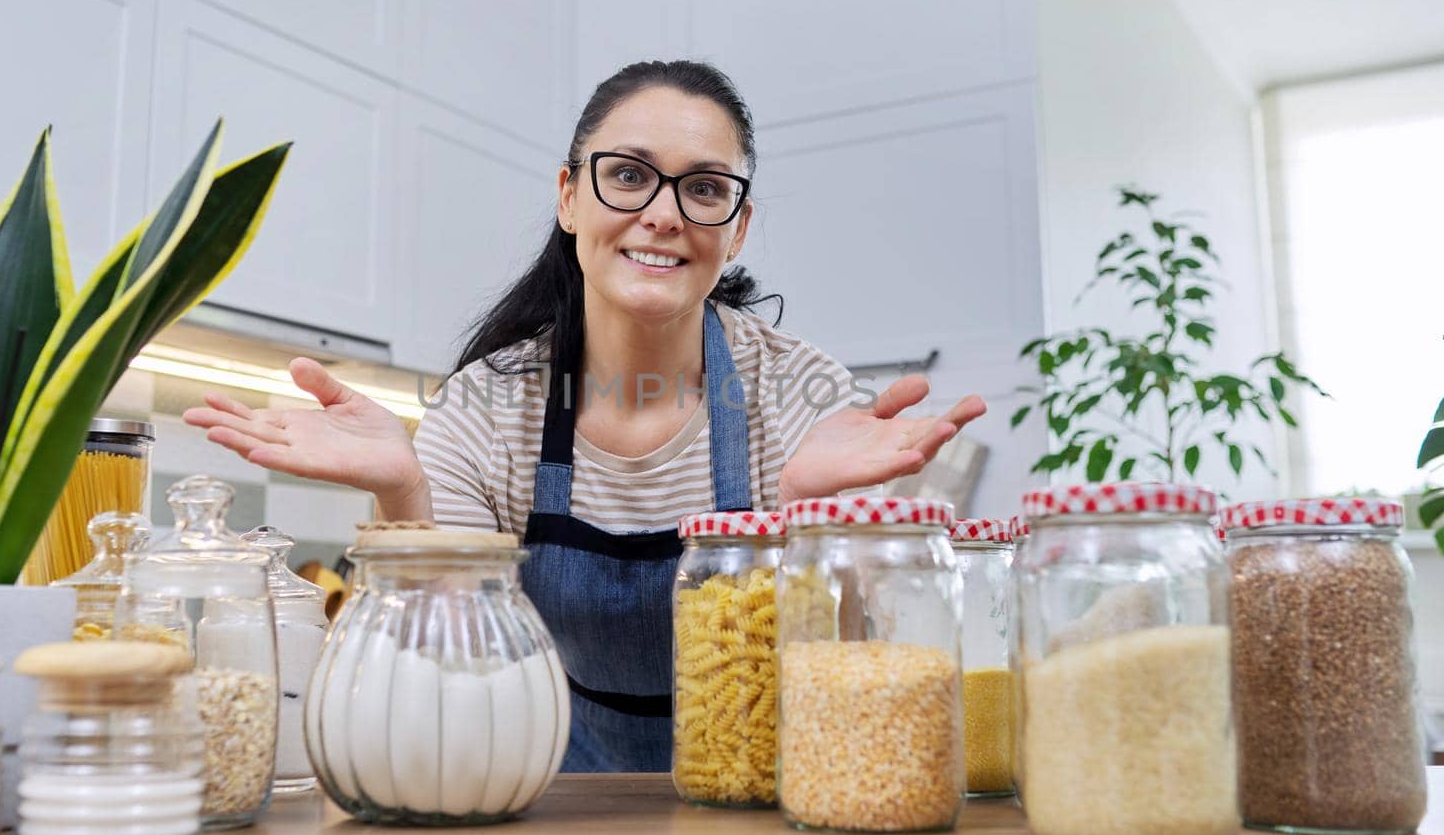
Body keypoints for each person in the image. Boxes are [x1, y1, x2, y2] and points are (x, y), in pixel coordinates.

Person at [185, 59, 987, 772]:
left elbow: (865, 674)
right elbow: (444, 676)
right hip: (551, 812)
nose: (664, 213)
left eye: (704, 187)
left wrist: (814, 525)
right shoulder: (487, 406)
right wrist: (405, 494)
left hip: (764, 812)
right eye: (629, 175)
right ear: (570, 197)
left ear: (736, 228)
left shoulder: (803, 394)